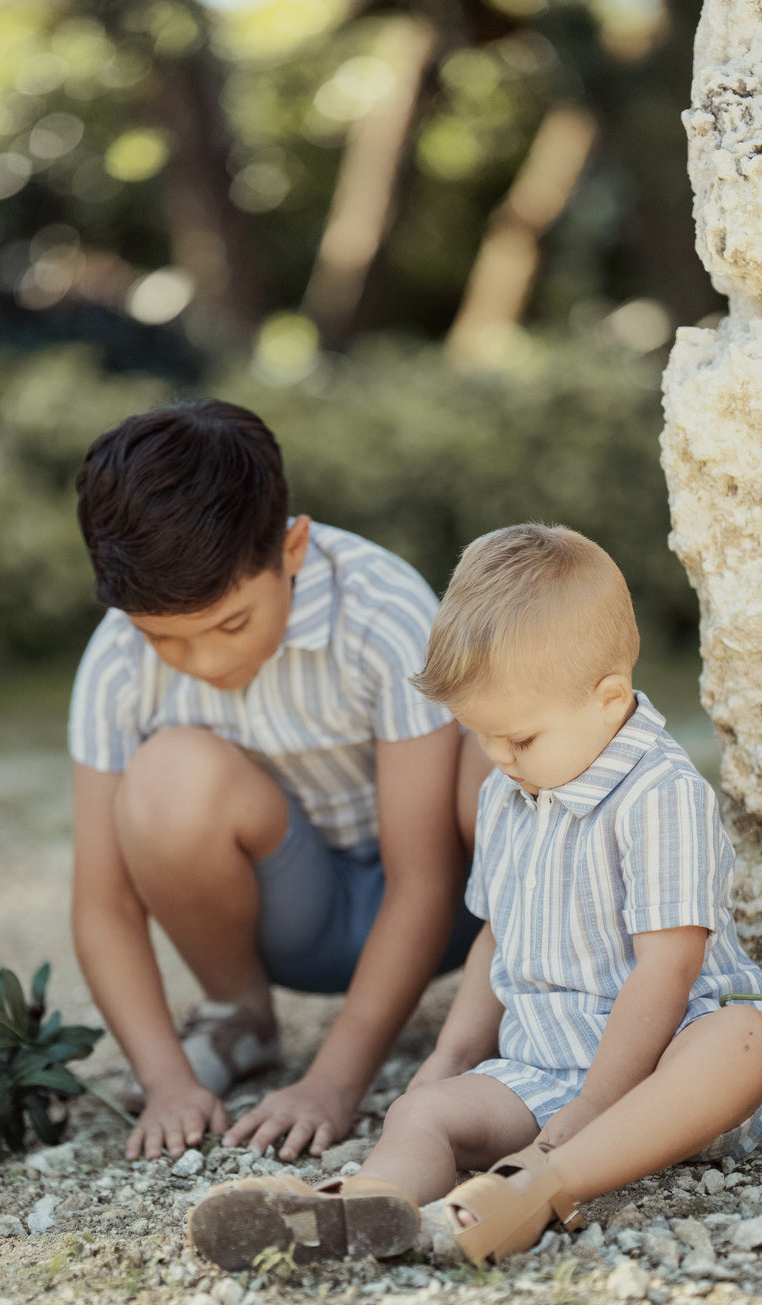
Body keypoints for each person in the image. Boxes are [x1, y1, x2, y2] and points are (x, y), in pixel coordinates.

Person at [186, 523, 762, 1270]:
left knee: (745, 1040)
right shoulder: (511, 788)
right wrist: (449, 1061)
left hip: (661, 1067)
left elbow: (666, 971)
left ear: (608, 700)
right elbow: (495, 940)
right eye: (482, 737)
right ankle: (361, 1208)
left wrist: (596, 1106)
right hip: (543, 1066)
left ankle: (538, 1187)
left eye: (519, 739)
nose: (498, 758)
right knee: (423, 1110)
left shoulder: (661, 797)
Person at [68, 399, 486, 1164]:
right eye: (164, 637)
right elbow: (104, 904)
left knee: (494, 759)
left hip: (452, 903)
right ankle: (240, 1017)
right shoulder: (116, 662)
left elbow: (423, 879)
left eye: (230, 625)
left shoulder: (382, 608)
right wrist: (164, 1082)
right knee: (167, 778)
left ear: (292, 548)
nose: (206, 663)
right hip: (296, 921)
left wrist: (333, 1083)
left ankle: (527, 997)